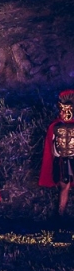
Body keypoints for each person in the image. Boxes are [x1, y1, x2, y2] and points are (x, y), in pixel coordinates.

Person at [39, 89, 74, 217]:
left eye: (66, 110)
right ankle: (60, 215)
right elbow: (51, 145)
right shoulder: (55, 126)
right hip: (63, 160)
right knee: (64, 186)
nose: (63, 113)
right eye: (62, 110)